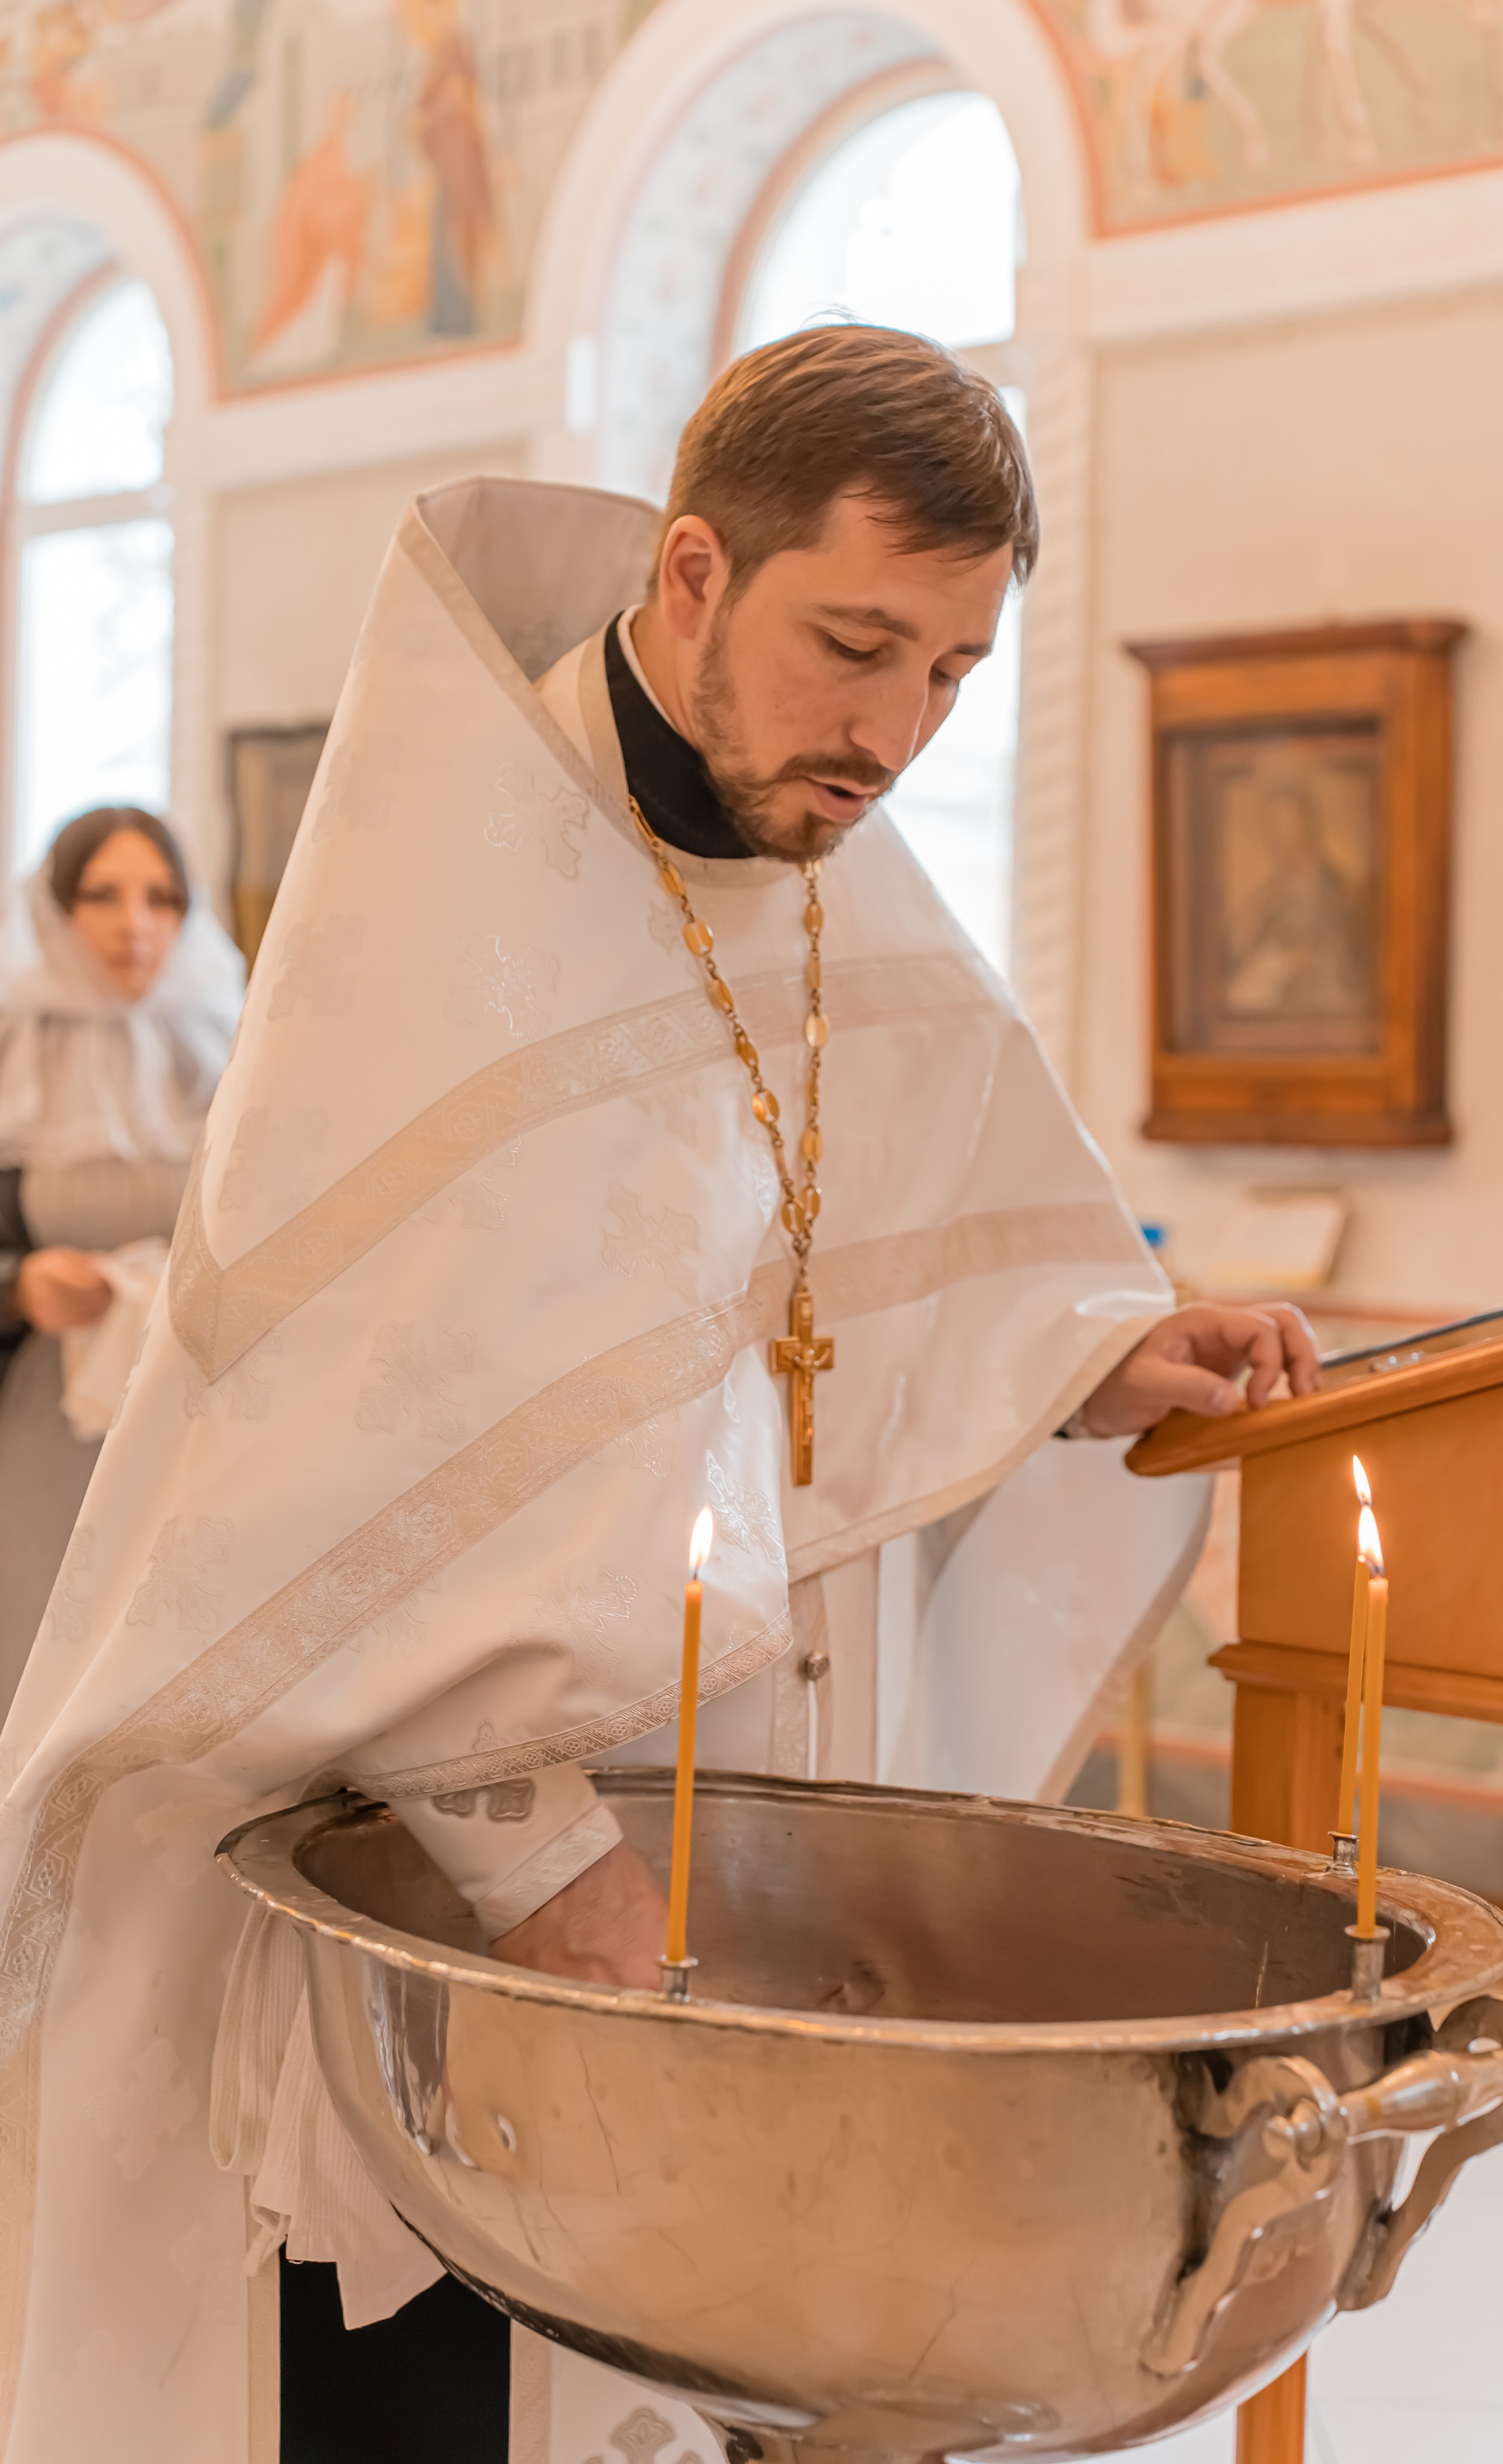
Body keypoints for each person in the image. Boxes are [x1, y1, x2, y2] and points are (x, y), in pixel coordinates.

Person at [0, 329, 1316, 2463]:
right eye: (856, 645)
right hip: (436, 1896)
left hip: (733, 1832)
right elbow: (356, 1513)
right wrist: (547, 1885)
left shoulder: (814, 854)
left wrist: (1085, 1357)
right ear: (694, 575)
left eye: (956, 678)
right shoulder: (453, 921)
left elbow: (837, 1269)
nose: (893, 733)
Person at [0, 806, 242, 1712]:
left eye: (161, 897)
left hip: (196, 1408)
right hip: (35, 1424)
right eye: (102, 895)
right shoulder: (9, 1046)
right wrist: (17, 1285)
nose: (134, 923)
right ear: (54, 910)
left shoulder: (236, 1048)